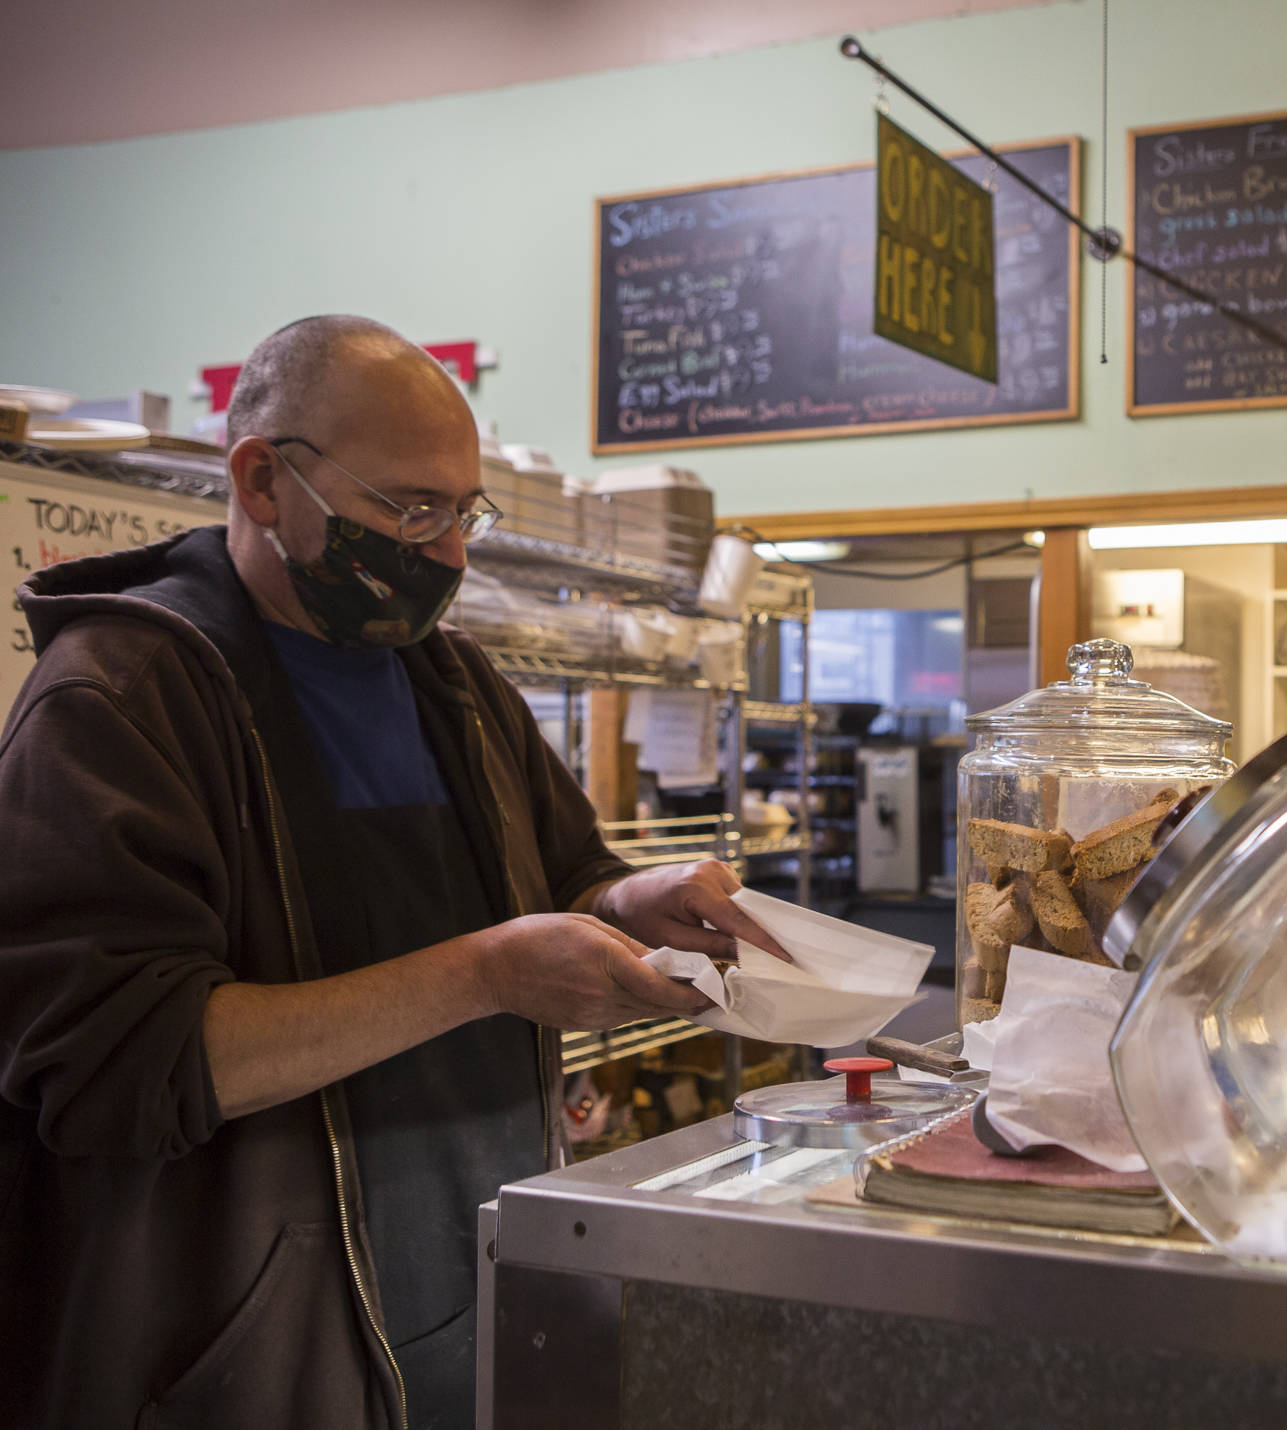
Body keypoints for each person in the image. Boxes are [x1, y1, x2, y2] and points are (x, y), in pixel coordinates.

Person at [0, 315, 790, 1430]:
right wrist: (485, 976)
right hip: (242, 1349)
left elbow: (561, 869)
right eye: (410, 508)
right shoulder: (121, 699)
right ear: (264, 480)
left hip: (473, 1283)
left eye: (463, 511)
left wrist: (626, 901)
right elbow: (118, 1058)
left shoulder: (452, 679)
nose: (450, 553)